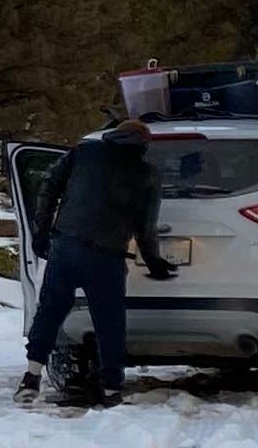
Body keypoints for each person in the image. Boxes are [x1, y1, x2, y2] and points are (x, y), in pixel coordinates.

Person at [19, 115, 176, 408]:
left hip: (66, 246)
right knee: (109, 322)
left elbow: (49, 187)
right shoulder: (147, 174)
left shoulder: (84, 152)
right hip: (107, 257)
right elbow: (145, 227)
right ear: (145, 144)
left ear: (114, 135)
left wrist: (41, 233)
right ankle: (111, 389)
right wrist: (154, 262)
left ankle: (31, 377)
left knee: (50, 311)